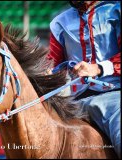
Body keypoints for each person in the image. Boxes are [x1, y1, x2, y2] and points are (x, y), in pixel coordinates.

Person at [47, 1, 121, 158]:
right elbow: (51, 64)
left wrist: (98, 68)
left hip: (115, 99)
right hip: (74, 103)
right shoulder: (59, 23)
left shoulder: (117, 10)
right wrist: (46, 74)